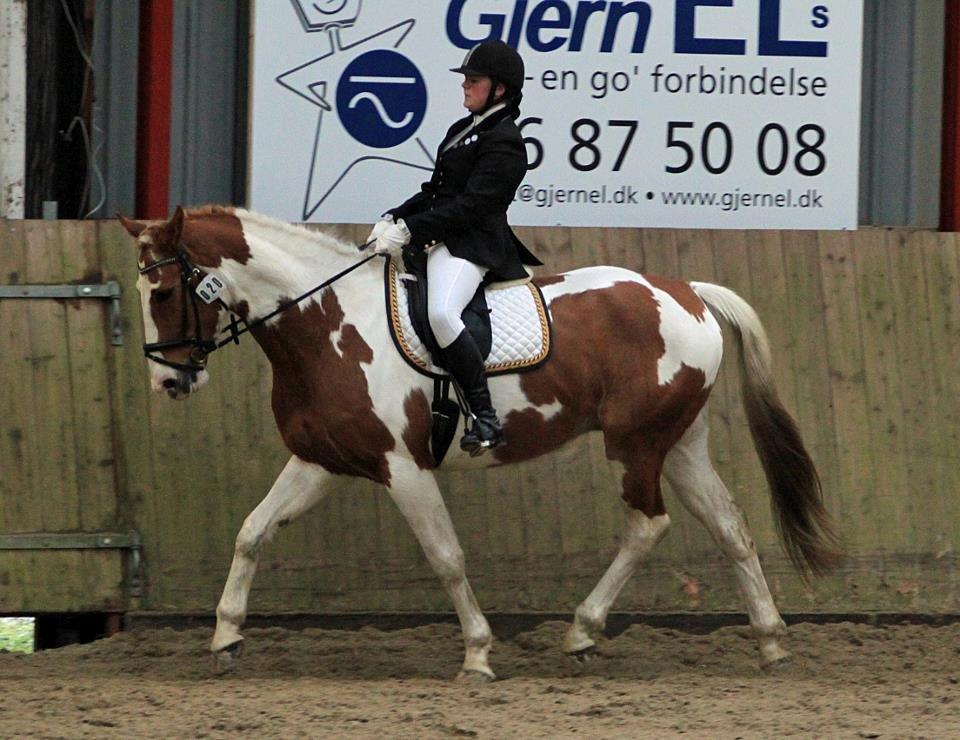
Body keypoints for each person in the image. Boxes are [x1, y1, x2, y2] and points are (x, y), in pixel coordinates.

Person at [369, 40, 541, 455]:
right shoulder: (463, 129)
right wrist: (395, 216)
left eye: (473, 80)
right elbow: (435, 192)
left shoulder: (506, 142)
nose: (464, 85)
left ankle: (485, 417)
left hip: (472, 246)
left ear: (499, 89)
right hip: (441, 236)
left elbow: (472, 207)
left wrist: (411, 230)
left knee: (443, 313)